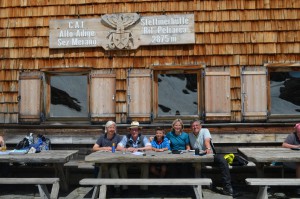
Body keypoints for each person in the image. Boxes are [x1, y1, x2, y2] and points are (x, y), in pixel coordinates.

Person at [189, 119, 237, 196]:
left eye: (197, 125)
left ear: (200, 126)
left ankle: (227, 187)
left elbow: (207, 141)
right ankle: (193, 187)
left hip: (210, 155)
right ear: (191, 128)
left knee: (223, 161)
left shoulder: (205, 131)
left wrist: (208, 149)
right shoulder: (190, 135)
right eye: (193, 126)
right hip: (198, 158)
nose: (195, 127)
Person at [118, 121, 152, 191]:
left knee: (145, 166)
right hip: (128, 161)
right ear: (130, 130)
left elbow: (149, 147)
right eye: (132, 129)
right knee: (122, 166)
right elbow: (118, 147)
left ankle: (144, 189)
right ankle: (125, 188)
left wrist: (137, 149)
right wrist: (127, 149)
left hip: (140, 161)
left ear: (139, 130)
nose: (134, 131)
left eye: (136, 129)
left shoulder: (143, 137)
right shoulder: (126, 137)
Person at [92, 121, 122, 194]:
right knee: (103, 167)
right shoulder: (102, 137)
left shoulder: (118, 137)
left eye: (113, 127)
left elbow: (121, 148)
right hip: (103, 160)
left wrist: (112, 149)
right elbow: (94, 148)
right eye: (110, 127)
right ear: (106, 128)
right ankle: (105, 188)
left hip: (115, 160)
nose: (112, 129)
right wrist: (104, 148)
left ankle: (116, 188)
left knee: (112, 168)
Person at [282, 123, 300, 194]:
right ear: (297, 132)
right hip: (290, 161)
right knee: (299, 163)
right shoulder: (292, 136)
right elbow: (284, 145)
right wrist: (296, 146)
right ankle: (299, 186)